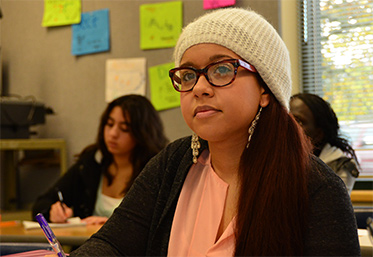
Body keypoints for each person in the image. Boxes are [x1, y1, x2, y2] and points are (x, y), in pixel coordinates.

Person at [66, 8, 359, 256]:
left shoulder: (318, 188)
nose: (199, 88)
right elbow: (112, 244)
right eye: (189, 74)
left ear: (265, 90)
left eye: (221, 70)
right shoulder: (171, 164)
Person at [32, 94, 169, 225]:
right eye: (109, 124)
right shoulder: (91, 162)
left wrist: (112, 226)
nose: (113, 134)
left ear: (143, 133)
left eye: (124, 129)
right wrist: (52, 212)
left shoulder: (156, 171)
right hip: (87, 247)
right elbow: (40, 204)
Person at [290, 93, 360, 195]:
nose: (289, 125)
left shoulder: (340, 167)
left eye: (298, 121)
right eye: (288, 119)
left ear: (318, 134)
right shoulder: (276, 156)